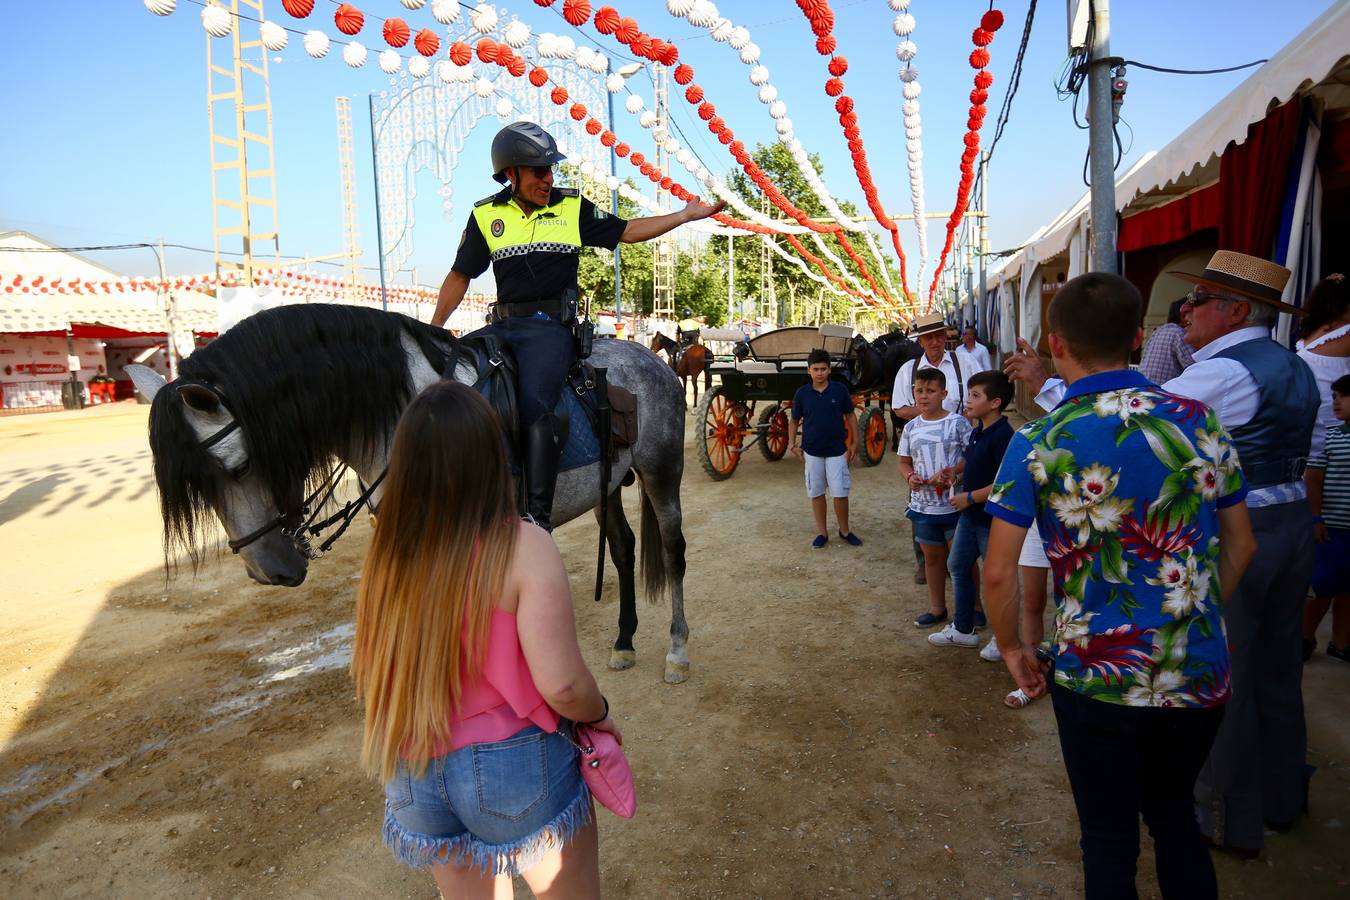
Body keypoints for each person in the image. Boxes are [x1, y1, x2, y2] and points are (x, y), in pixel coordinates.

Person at [1004, 250, 1321, 855]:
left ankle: (1224, 816)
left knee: (1230, 667)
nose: (1186, 314)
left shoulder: (1218, 375)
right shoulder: (1295, 364)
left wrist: (1049, 379)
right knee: (1281, 672)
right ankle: (1283, 794)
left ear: (1234, 311)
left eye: (1198, 302)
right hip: (1290, 522)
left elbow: (1129, 418)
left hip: (1238, 528)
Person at [983, 271, 1257, 900]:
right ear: (1137, 337)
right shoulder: (1200, 421)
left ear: (1056, 345)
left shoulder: (1040, 441)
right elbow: (1243, 544)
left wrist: (1012, 649)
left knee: (1107, 841)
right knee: (1174, 817)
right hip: (1197, 669)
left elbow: (997, 570)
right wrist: (1195, 613)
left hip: (1097, 674)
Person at [352, 380, 622, 897]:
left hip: (412, 766)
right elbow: (563, 685)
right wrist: (600, 712)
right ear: (492, 456)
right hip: (513, 762)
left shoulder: (385, 555)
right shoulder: (524, 545)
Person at [432, 121, 725, 529]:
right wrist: (435, 328)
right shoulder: (485, 215)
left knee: (536, 402)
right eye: (539, 171)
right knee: (453, 384)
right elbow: (461, 274)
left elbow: (627, 232)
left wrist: (683, 215)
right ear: (511, 174)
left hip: (552, 329)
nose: (548, 178)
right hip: (501, 327)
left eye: (551, 169)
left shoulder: (572, 207)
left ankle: (536, 514)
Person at [929, 370, 1014, 648]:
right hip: (971, 517)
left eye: (976, 396)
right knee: (957, 565)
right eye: (969, 394)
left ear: (995, 403)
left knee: (996, 579)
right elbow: (971, 460)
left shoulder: (1004, 436)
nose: (968, 400)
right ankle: (964, 627)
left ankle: (1004, 639)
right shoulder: (979, 431)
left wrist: (970, 497)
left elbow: (1006, 482)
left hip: (992, 520)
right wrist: (954, 472)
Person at [893, 312, 969, 585]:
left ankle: (957, 562)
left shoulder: (963, 362)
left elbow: (978, 397)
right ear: (921, 341)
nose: (935, 341)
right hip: (922, 448)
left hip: (959, 442)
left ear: (945, 337)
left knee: (958, 508)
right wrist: (930, 413)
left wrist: (951, 419)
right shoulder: (908, 370)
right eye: (929, 337)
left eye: (939, 335)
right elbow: (899, 408)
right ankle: (925, 563)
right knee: (921, 507)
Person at [898, 367, 972, 627]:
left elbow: (971, 456)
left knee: (961, 560)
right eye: (919, 391)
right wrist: (910, 477)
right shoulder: (910, 428)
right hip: (924, 508)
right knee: (932, 558)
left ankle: (974, 608)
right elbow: (904, 462)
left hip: (954, 505)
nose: (924, 396)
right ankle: (937, 608)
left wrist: (955, 471)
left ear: (944, 393)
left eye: (930, 391)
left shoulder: (958, 423)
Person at [788, 348, 861, 548]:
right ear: (808, 370)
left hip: (837, 450)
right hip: (811, 451)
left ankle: (844, 530)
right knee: (817, 492)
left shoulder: (839, 390)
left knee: (840, 493)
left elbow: (850, 415)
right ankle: (822, 532)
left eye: (823, 368)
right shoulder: (802, 394)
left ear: (829, 370)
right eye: (815, 369)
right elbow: (794, 420)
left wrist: (855, 441)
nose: (819, 372)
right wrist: (791, 444)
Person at [1305, 372, 1350, 663]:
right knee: (1323, 585)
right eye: (1334, 397)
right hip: (1333, 527)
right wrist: (1316, 518)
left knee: (1348, 589)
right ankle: (1304, 637)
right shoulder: (1330, 437)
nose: (1337, 402)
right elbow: (1314, 479)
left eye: (1343, 396)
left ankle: (1341, 642)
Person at [1137, 298, 1195, 384]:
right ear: (1184, 316)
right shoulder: (1179, 334)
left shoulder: (1158, 331)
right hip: (1163, 392)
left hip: (1144, 388)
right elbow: (1195, 367)